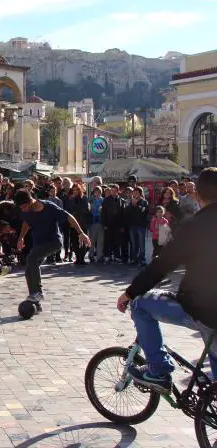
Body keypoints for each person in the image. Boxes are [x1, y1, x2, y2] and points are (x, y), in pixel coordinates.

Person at [117, 167, 217, 394]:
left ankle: (158, 369)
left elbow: (162, 266)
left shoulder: (194, 227)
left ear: (197, 195)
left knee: (140, 304)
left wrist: (130, 293)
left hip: (202, 309)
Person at [14, 190, 91, 303]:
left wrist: (80, 233)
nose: (23, 210)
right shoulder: (25, 210)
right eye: (21, 208)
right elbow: (26, 222)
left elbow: (69, 217)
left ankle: (38, 292)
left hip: (54, 242)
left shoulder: (49, 207)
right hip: (39, 243)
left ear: (31, 202)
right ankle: (34, 302)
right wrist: (21, 237)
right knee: (29, 270)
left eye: (24, 207)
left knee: (32, 258)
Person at [125, 187, 149, 266]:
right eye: (134, 192)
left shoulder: (144, 202)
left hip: (141, 226)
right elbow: (127, 212)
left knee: (141, 244)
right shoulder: (130, 202)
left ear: (140, 193)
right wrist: (132, 205)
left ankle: (142, 259)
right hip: (132, 226)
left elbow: (143, 211)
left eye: (136, 192)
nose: (134, 194)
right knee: (134, 243)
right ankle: (134, 259)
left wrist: (136, 205)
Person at [87, 186, 104, 263]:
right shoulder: (90, 200)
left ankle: (99, 256)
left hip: (101, 223)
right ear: (93, 192)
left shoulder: (103, 200)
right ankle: (91, 255)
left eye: (99, 191)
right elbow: (88, 211)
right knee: (92, 240)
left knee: (100, 240)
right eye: (95, 191)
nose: (97, 193)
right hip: (93, 222)